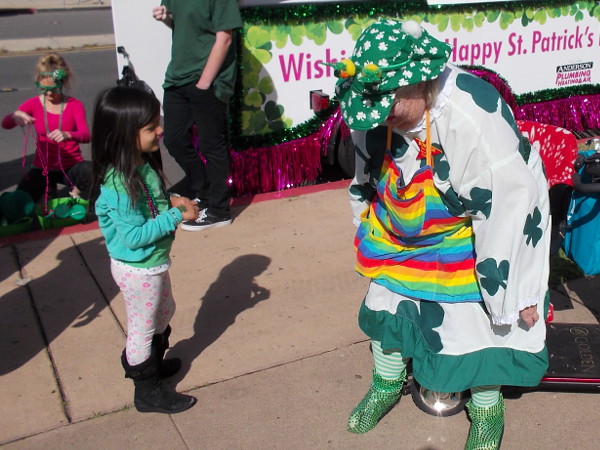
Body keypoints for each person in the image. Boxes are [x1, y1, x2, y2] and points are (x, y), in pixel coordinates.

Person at [330, 20, 550, 449]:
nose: (376, 116)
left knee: (479, 324)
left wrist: (514, 292)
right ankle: (387, 383)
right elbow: (362, 175)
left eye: (388, 103)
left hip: (472, 234)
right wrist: (366, 230)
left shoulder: (469, 115)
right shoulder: (372, 109)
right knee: (388, 308)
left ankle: (486, 407)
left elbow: (507, 206)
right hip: (401, 229)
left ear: (419, 82)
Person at [91, 86, 200, 414]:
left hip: (152, 264)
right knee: (141, 327)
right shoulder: (120, 185)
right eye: (151, 127)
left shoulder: (142, 165)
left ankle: (152, 361)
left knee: (164, 312)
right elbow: (135, 236)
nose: (160, 130)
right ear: (125, 134)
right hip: (137, 268)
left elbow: (153, 204)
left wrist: (172, 202)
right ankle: (146, 389)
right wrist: (175, 215)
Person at [152, 0, 243, 231]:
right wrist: (166, 19)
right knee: (173, 139)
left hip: (207, 79)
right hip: (177, 77)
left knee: (212, 144)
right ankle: (204, 192)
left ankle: (220, 210)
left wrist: (204, 83)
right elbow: (182, 25)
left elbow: (225, 38)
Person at [2, 53, 93, 203]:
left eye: (54, 89)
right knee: (19, 200)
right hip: (42, 168)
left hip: (71, 166)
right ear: (38, 82)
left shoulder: (74, 105)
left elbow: (86, 135)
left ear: (63, 83)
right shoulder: (33, 103)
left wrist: (68, 134)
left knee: (91, 172)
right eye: (44, 89)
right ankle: (47, 191)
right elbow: (5, 124)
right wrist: (14, 116)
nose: (49, 93)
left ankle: (77, 194)